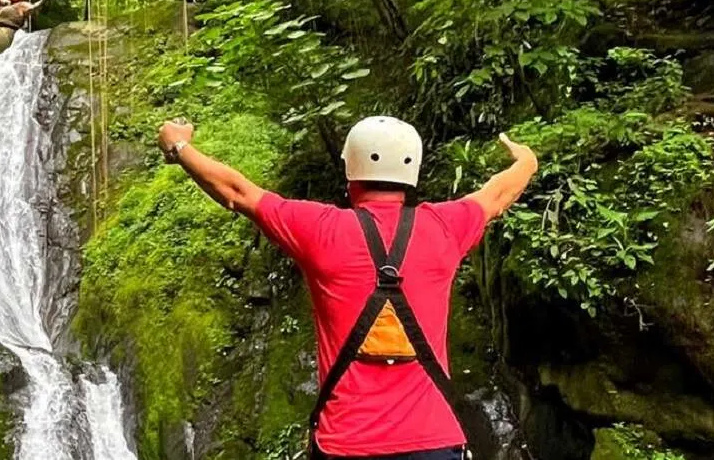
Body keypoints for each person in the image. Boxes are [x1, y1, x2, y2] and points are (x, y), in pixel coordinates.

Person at [155, 115, 538, 460]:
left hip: (347, 444)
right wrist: (527, 160)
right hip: (433, 441)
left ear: (351, 171)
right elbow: (498, 194)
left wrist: (180, 146)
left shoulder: (321, 230)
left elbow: (237, 192)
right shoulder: (444, 227)